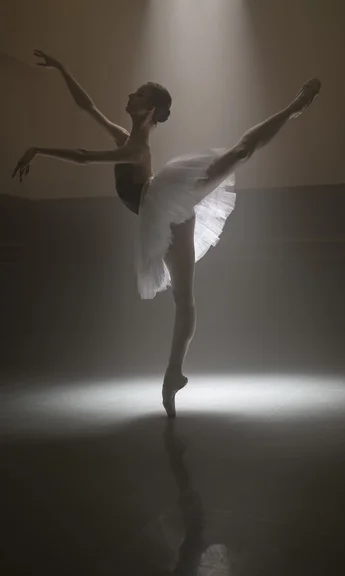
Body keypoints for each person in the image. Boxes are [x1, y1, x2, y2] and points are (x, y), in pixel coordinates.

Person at [13, 50, 321, 418]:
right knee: (184, 298)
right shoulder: (124, 137)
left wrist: (39, 149)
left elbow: (82, 156)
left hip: (166, 198)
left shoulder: (136, 148)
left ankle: (295, 106)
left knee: (240, 151)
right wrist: (63, 68)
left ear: (152, 109)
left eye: (138, 94)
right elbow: (87, 106)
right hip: (165, 212)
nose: (130, 96)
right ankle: (173, 373)